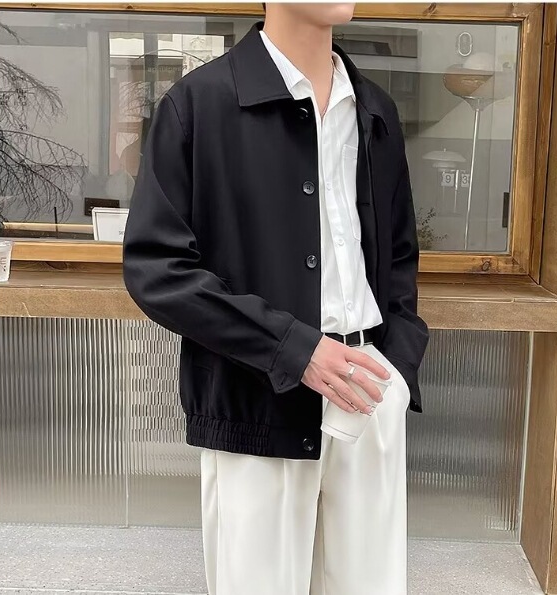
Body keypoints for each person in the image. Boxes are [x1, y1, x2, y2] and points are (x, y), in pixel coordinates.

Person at [123, 3, 429, 594]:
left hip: (369, 392)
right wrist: (292, 349)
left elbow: (397, 259)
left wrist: (398, 367)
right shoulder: (199, 106)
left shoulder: (374, 110)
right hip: (256, 402)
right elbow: (156, 269)